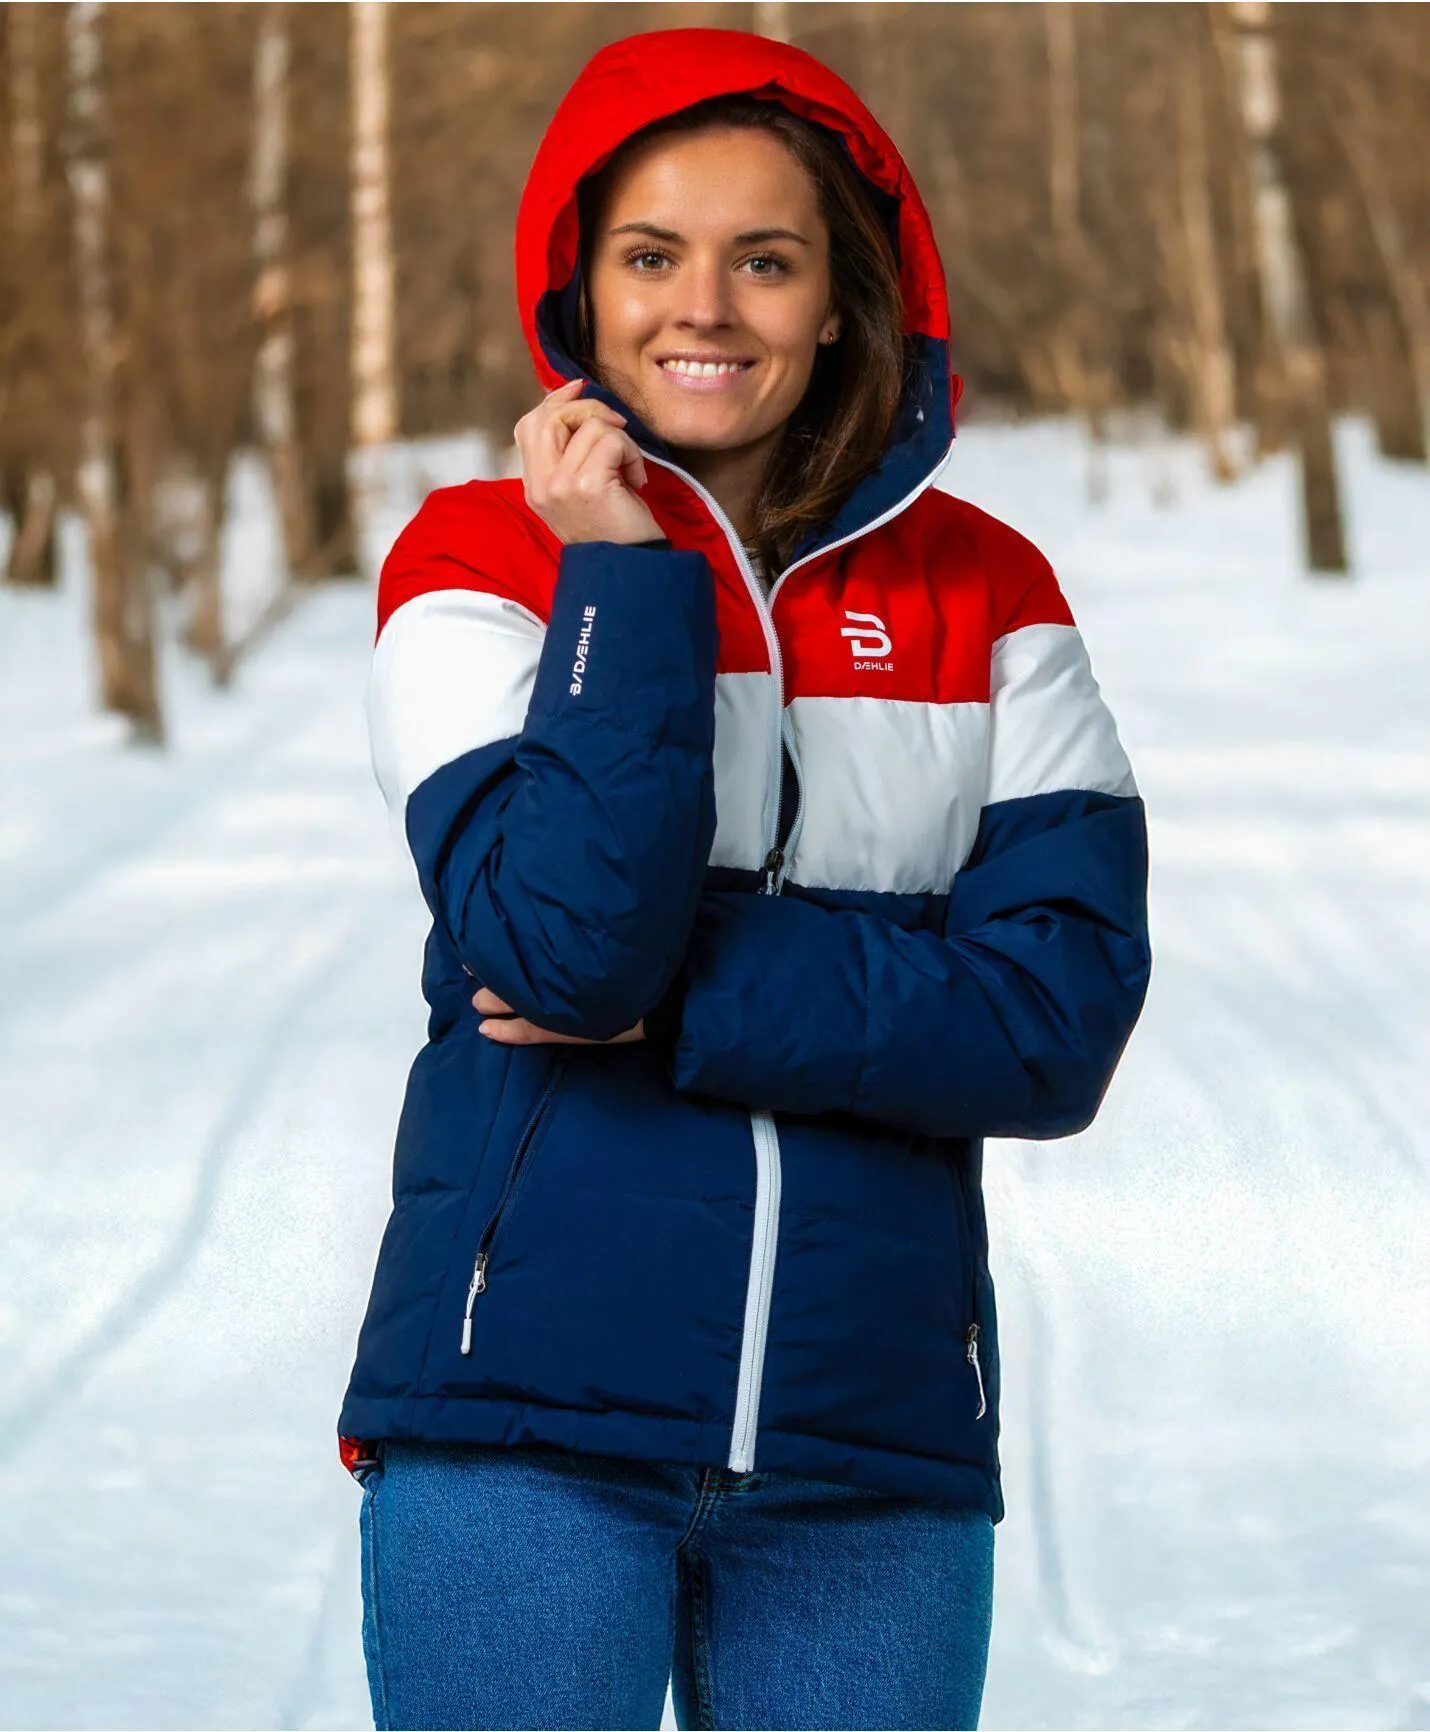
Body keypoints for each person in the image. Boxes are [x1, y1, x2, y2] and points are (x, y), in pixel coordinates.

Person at [337, 26, 1151, 1732]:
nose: (701, 307)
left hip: (876, 1458)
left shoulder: (990, 595)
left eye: (761, 260)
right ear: (585, 287)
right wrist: (620, 578)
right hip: (521, 1431)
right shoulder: (478, 560)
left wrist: (673, 996)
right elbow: (562, 944)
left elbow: (1049, 1026)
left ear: (841, 298)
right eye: (652, 256)